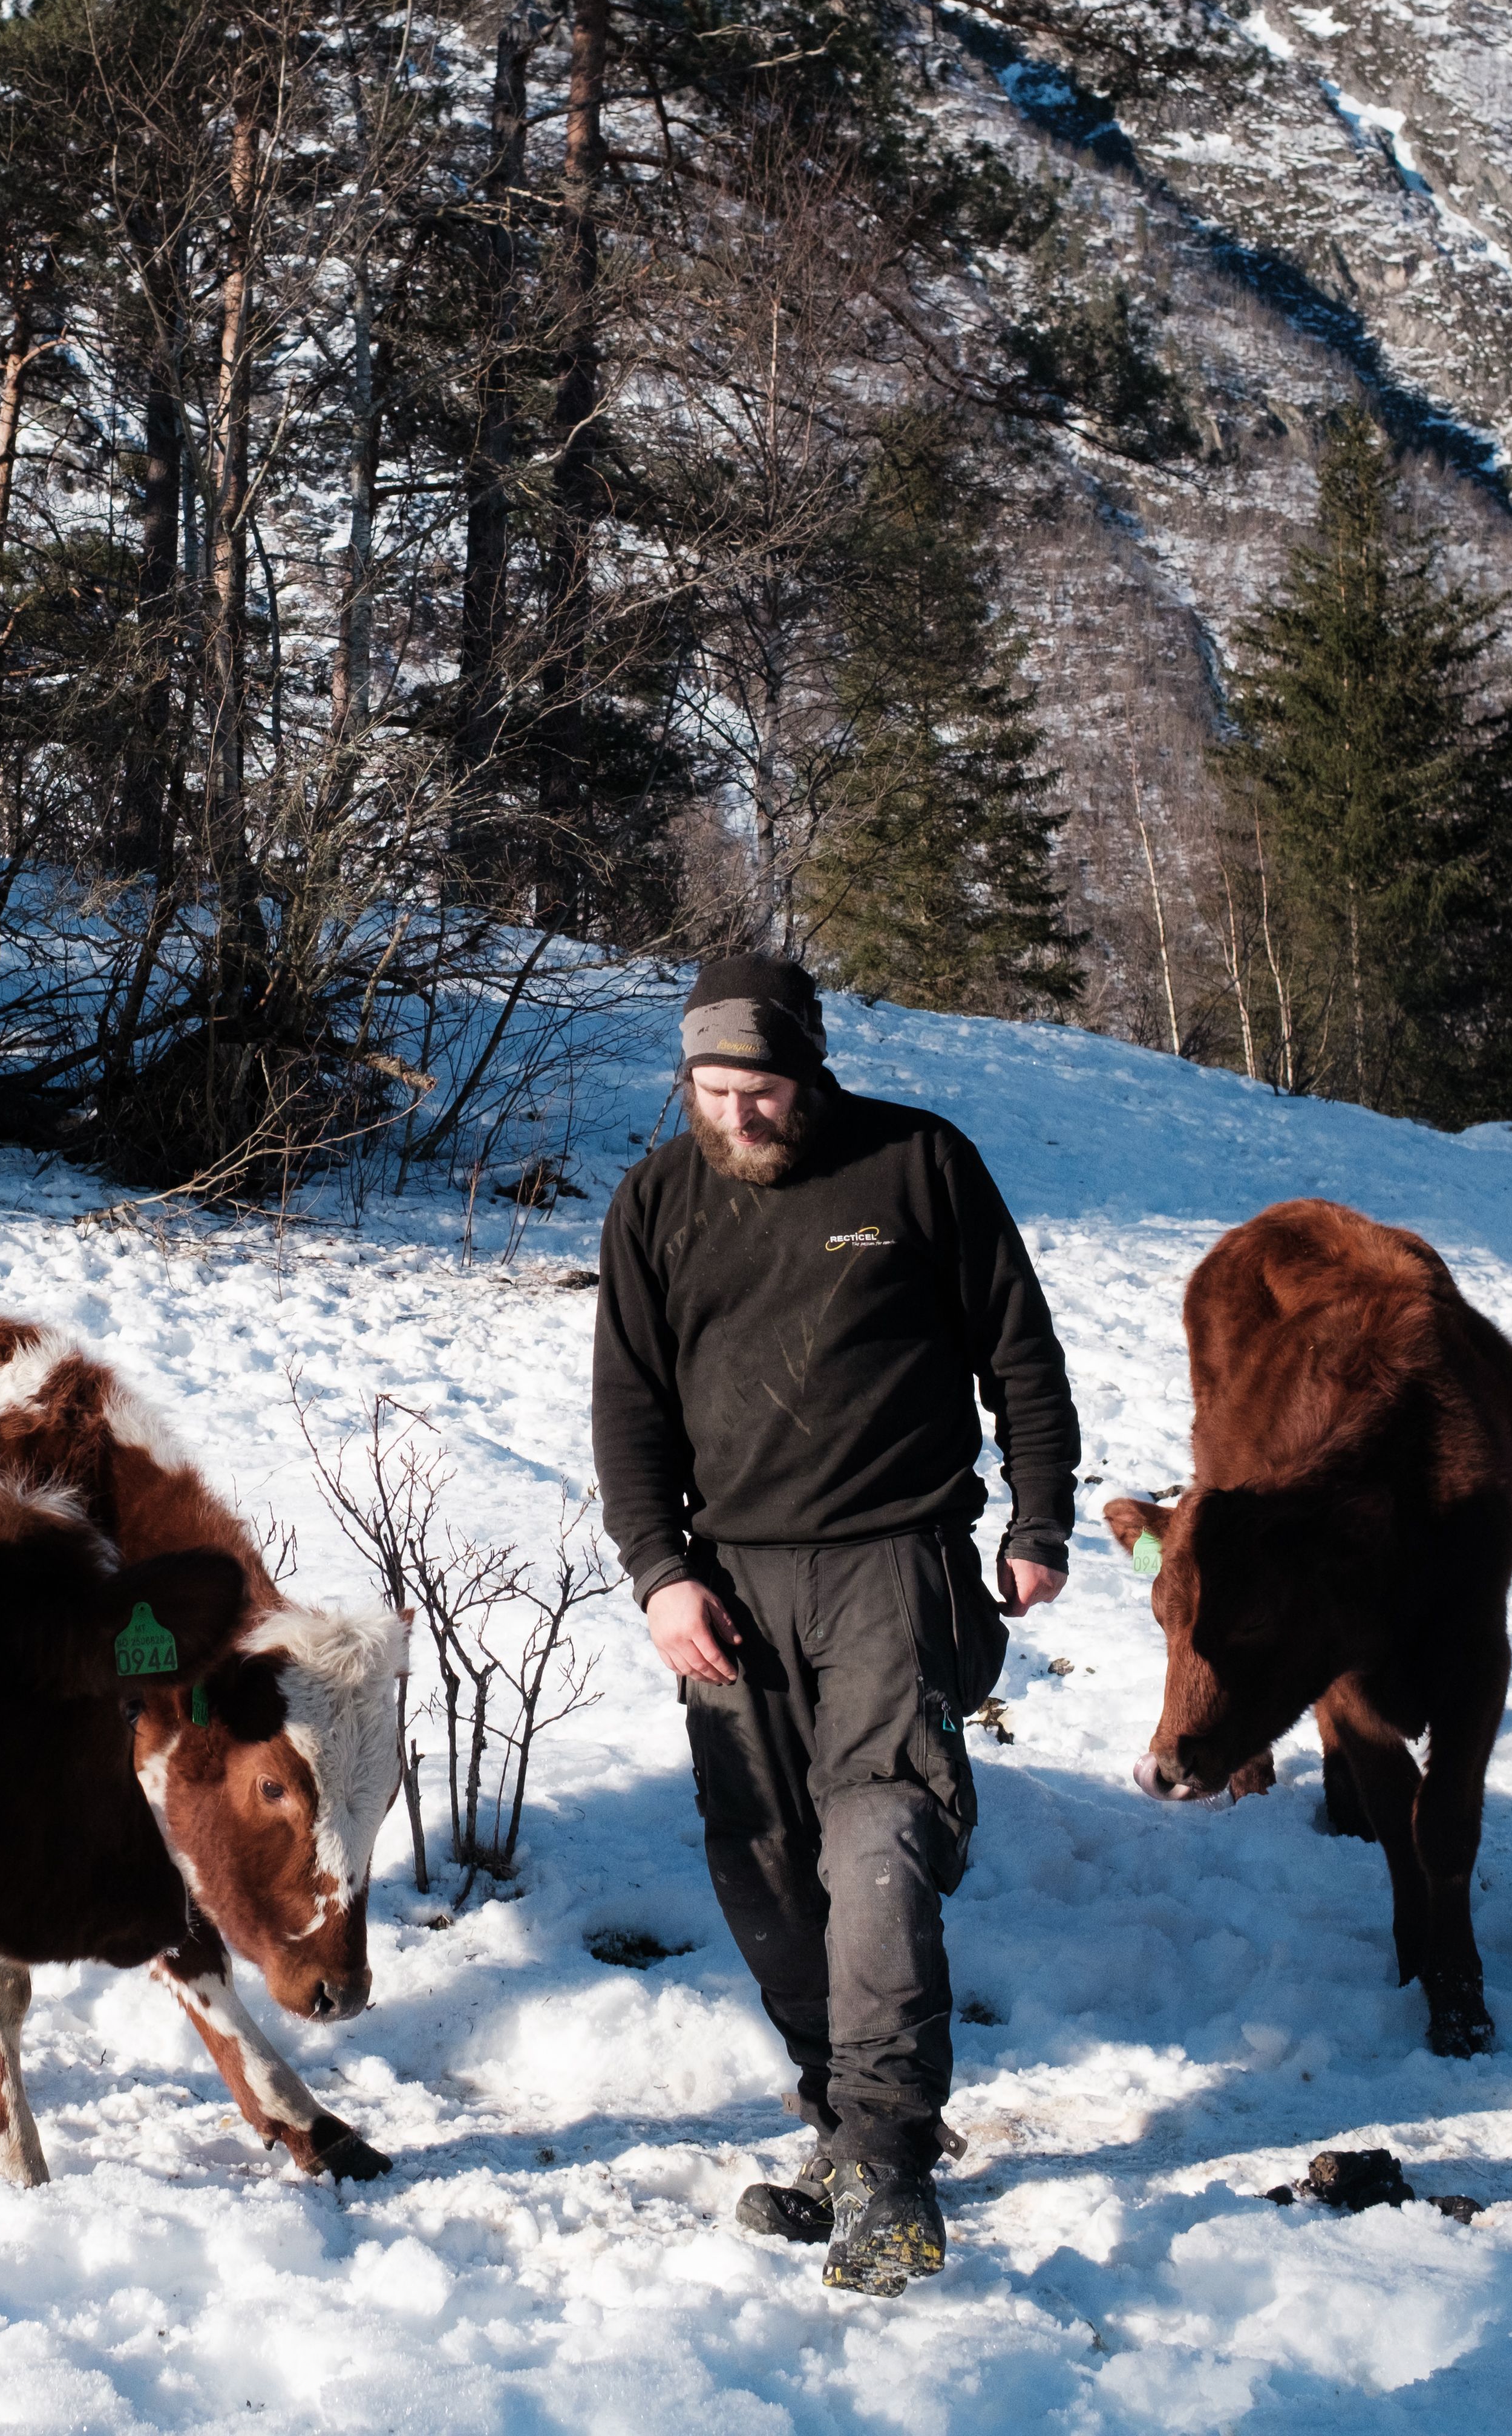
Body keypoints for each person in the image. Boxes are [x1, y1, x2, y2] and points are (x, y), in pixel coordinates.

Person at [591, 954, 1078, 2296]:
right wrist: (659, 1572)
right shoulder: (657, 1202)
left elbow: (1020, 1356)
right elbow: (629, 1412)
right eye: (711, 1089)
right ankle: (834, 2113)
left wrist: (1038, 1520)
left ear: (812, 1071)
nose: (737, 1116)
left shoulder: (919, 1164)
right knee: (756, 1852)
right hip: (727, 1579)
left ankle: (889, 2158)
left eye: (760, 1090)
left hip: (894, 1561)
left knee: (883, 1832)